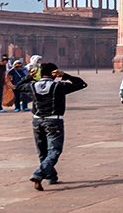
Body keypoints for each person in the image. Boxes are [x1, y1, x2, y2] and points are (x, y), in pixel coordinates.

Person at [14, 62, 87, 190]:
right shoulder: (58, 86)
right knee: (54, 150)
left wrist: (29, 77)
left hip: (37, 120)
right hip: (53, 120)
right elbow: (81, 84)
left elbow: (18, 86)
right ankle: (39, 174)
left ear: (40, 74)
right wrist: (65, 75)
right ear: (54, 74)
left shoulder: (32, 86)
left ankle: (51, 176)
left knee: (42, 151)